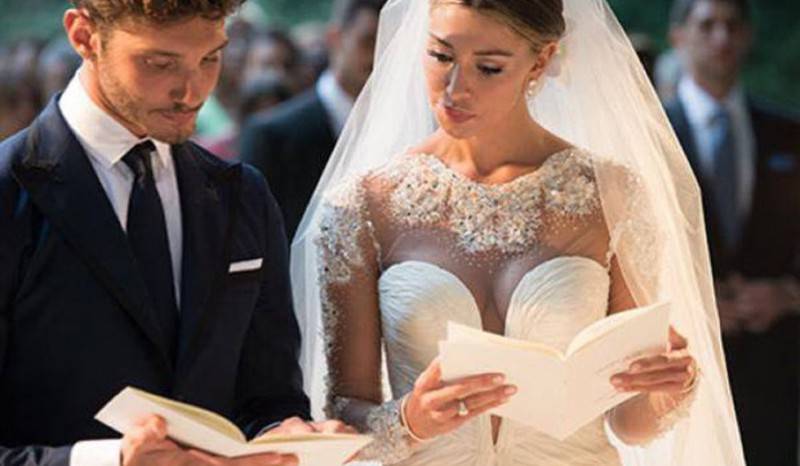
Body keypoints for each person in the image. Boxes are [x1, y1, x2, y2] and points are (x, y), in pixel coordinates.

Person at [291, 0, 747, 465]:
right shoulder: (362, 205)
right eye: (441, 56)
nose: (455, 88)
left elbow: (629, 423)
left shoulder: (611, 195)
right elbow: (344, 416)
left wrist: (667, 389)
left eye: (488, 67)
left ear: (542, 60)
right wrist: (411, 420)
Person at [0, 1, 352, 465]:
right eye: (160, 63)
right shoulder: (8, 192)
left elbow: (268, 399)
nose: (192, 90)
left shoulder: (243, 195)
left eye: (210, 58)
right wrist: (110, 461)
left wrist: (287, 435)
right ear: (84, 36)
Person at [664, 0, 800, 464]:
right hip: (683, 366)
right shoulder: (651, 134)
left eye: (732, 25)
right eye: (707, 25)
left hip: (775, 369)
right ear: (678, 37)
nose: (721, 37)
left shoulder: (789, 133)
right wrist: (692, 306)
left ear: (748, 36)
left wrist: (788, 293)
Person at [240, 0, 386, 239]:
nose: (379, 55)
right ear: (335, 38)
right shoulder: (273, 135)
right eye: (368, 41)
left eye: (390, 43)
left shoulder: (410, 129)